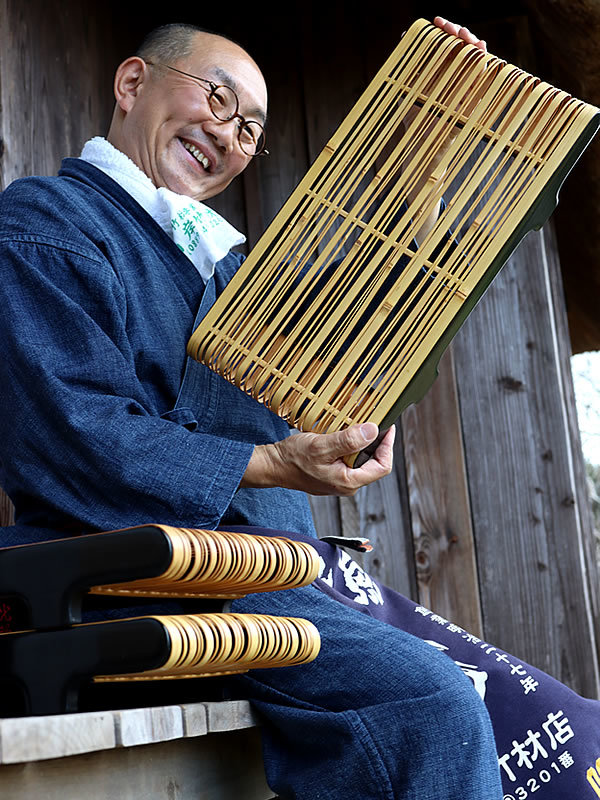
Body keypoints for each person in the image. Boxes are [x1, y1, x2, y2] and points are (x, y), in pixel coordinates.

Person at [0, 17, 505, 799]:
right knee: (428, 704)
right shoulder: (44, 224)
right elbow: (78, 433)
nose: (228, 134)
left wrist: (425, 147)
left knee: (496, 690)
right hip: (140, 575)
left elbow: (352, 310)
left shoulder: (226, 267)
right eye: (218, 98)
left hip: (269, 580)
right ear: (133, 84)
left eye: (248, 129)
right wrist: (270, 462)